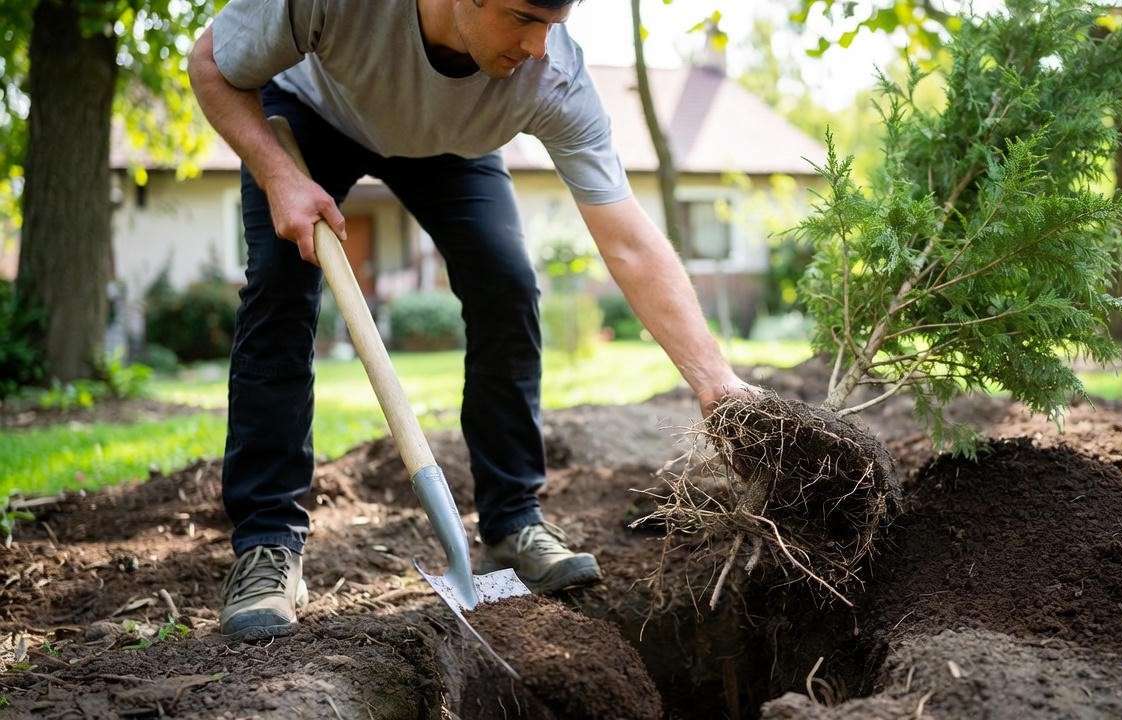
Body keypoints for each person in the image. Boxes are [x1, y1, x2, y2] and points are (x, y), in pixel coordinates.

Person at [189, 0, 753, 641]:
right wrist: (277, 172)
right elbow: (211, 62)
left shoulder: (553, 76)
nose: (539, 45)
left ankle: (513, 522)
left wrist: (716, 383)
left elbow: (627, 241)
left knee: (507, 286)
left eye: (553, 24)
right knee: (281, 289)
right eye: (521, 17)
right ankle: (267, 545)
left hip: (451, 146)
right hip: (313, 113)